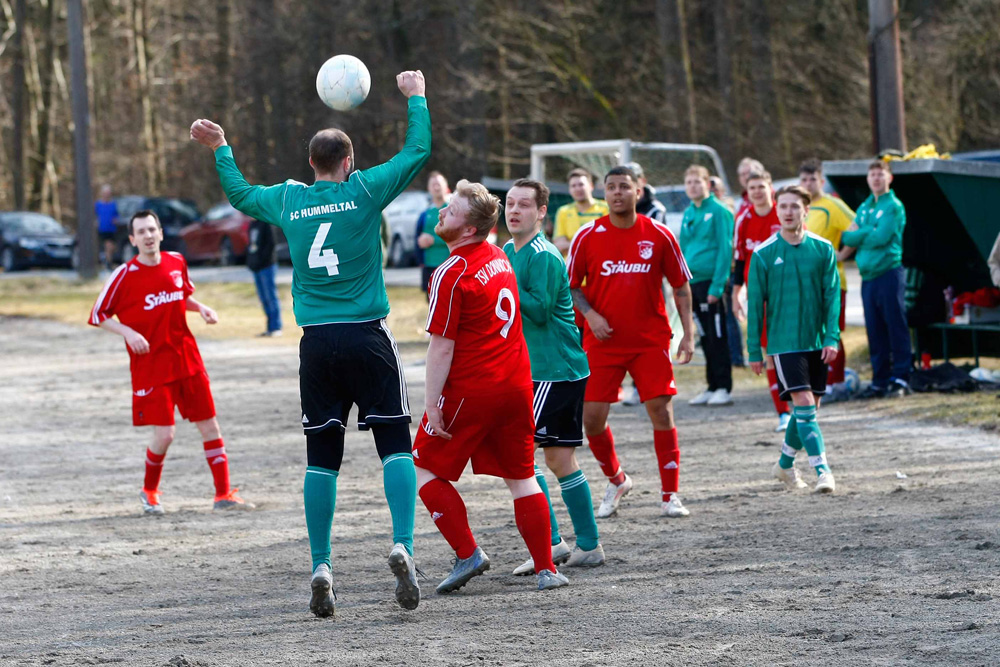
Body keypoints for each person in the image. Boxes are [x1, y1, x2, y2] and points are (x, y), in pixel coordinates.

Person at [190, 70, 430, 618]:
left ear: (311, 164)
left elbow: (240, 195)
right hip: (368, 337)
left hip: (316, 345)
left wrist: (222, 148)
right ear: (348, 162)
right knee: (395, 443)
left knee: (322, 457)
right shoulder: (365, 189)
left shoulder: (290, 200)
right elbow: (418, 149)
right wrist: (415, 98)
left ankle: (321, 563)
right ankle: (403, 544)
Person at [415, 180, 569, 593]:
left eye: (452, 208)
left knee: (422, 467)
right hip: (516, 385)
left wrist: (431, 402)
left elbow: (441, 348)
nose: (442, 211)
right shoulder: (499, 257)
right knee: (522, 478)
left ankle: (468, 553)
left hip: (473, 388)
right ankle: (546, 569)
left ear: (468, 229)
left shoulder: (451, 271)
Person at [88, 210, 251, 515]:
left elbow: (180, 295)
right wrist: (128, 332)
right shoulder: (124, 274)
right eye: (141, 231)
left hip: (187, 359)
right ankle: (149, 491)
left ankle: (223, 495)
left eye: (152, 229)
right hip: (151, 367)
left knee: (210, 426)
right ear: (133, 239)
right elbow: (98, 315)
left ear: (161, 233)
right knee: (165, 434)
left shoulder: (177, 261)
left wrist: (200, 307)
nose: (148, 236)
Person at [567, 166, 696, 519]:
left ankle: (670, 495)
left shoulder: (659, 234)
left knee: (661, 412)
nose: (617, 193)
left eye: (625, 186)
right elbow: (572, 286)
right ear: (604, 193)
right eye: (611, 187)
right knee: (591, 420)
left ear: (638, 191)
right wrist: (591, 315)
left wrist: (688, 333)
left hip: (649, 341)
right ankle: (617, 479)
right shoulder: (587, 236)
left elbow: (681, 286)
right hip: (602, 342)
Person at [502, 178, 604, 575]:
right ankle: (578, 544)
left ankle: (553, 542)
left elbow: (540, 311)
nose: (514, 210)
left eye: (524, 205)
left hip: (555, 369)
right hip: (537, 370)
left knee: (523, 459)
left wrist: (503, 284)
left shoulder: (543, 255)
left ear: (542, 213)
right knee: (558, 459)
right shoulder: (509, 250)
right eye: (509, 203)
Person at [747, 186, 840, 493]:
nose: (787, 212)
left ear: (805, 211)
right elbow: (755, 306)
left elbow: (832, 297)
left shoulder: (824, 249)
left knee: (809, 411)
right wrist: (754, 351)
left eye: (794, 207)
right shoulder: (762, 253)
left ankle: (784, 466)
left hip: (817, 341)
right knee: (802, 403)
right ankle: (823, 471)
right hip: (784, 343)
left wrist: (831, 336)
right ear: (777, 211)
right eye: (783, 206)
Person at [842, 160, 912, 398]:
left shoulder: (893, 206)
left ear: (889, 178)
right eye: (872, 175)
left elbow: (882, 237)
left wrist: (862, 233)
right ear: (867, 179)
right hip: (868, 277)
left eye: (880, 174)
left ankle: (901, 377)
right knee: (874, 329)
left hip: (889, 273)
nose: (876, 178)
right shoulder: (864, 207)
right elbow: (847, 238)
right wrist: (866, 232)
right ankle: (879, 380)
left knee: (895, 326)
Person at [732, 170, 791, 432]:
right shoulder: (743, 219)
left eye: (761, 186)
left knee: (792, 349)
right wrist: (736, 295)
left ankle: (802, 404)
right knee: (769, 352)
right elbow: (740, 261)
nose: (757, 191)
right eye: (752, 187)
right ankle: (783, 412)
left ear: (771, 189)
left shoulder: (785, 213)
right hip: (759, 295)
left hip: (789, 293)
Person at [799, 158, 855, 396]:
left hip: (832, 281)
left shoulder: (831, 204)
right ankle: (819, 381)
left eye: (813, 179)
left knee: (832, 332)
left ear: (821, 180)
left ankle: (838, 381)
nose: (808, 184)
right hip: (805, 283)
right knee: (812, 333)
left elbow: (856, 226)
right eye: (804, 179)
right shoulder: (799, 206)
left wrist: (842, 253)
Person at [680, 165, 735, 407]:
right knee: (704, 335)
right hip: (693, 284)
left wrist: (717, 286)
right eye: (689, 182)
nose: (693, 186)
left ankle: (724, 386)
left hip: (713, 284)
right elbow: (683, 249)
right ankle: (711, 385)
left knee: (718, 334)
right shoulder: (688, 212)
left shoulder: (720, 211)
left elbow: (725, 250)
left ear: (707, 184)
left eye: (697, 181)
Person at [552, 168, 609, 255]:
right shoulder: (563, 211)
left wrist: (570, 244)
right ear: (569, 190)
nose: (577, 189)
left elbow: (606, 242)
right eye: (573, 186)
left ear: (591, 186)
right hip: (571, 266)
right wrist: (589, 244)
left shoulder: (606, 208)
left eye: (581, 184)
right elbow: (559, 245)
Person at [415, 171, 451, 298]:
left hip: (449, 267)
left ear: (445, 186)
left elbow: (457, 236)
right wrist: (420, 242)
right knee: (432, 304)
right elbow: (417, 238)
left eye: (439, 184)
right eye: (433, 185)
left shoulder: (452, 211)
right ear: (428, 188)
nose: (436, 187)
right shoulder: (425, 214)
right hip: (429, 268)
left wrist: (434, 240)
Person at [246, 217, 282, 337]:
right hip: (257, 267)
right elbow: (251, 246)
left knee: (270, 296)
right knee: (263, 298)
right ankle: (269, 327)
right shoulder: (252, 225)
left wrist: (262, 261)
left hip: (267, 266)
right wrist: (251, 263)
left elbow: (271, 245)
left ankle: (276, 327)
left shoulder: (267, 223)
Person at [95, 184, 120, 270]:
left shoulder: (113, 204)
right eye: (105, 193)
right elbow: (94, 215)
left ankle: (105, 259)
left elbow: (116, 215)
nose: (107, 194)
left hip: (112, 229)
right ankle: (108, 263)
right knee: (108, 245)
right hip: (102, 229)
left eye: (108, 193)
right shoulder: (98, 204)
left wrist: (115, 220)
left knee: (111, 247)